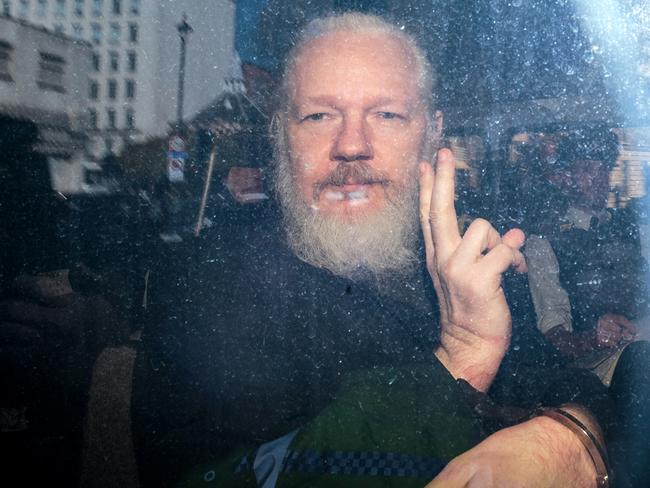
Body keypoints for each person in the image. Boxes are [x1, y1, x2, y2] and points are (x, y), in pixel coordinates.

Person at [132, 12, 615, 488]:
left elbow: (583, 395)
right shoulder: (208, 290)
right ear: (281, 133)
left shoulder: (460, 273)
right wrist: (461, 359)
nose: (352, 145)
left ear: (431, 133)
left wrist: (574, 435)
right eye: (319, 115)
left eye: (386, 115)